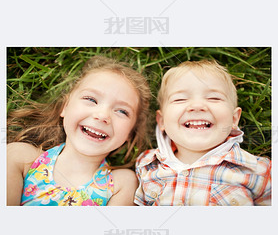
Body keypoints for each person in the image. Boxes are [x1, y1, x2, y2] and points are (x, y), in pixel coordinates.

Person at [7, 55, 150, 206]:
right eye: (91, 100)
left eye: (122, 111)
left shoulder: (121, 184)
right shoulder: (21, 158)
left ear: (130, 132)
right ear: (65, 106)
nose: (102, 116)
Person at [135, 60, 271, 206]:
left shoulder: (259, 171)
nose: (197, 106)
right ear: (161, 121)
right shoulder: (146, 164)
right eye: (180, 99)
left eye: (214, 98)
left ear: (234, 118)